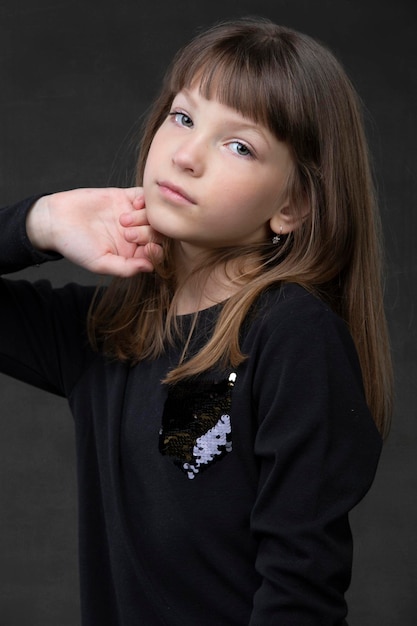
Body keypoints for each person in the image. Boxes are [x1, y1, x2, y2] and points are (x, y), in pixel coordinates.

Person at [0, 17, 393, 626]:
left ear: (293, 204)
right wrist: (38, 223)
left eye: (239, 145)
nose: (186, 156)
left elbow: (300, 594)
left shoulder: (291, 336)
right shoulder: (108, 335)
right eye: (183, 117)